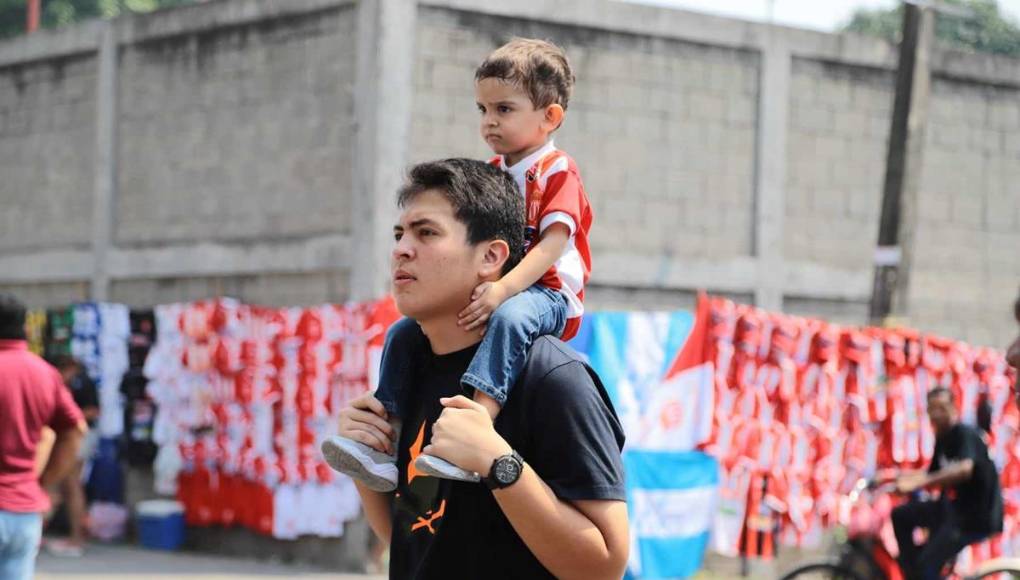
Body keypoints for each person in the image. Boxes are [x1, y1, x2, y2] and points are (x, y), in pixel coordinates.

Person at [335, 159, 628, 578]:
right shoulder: (410, 364)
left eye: (426, 232)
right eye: (399, 234)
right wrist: (368, 461)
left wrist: (497, 461)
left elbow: (605, 566)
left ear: (491, 257)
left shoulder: (552, 378)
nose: (401, 249)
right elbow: (414, 535)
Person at [323, 38, 593, 488]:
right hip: (501, 288)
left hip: (546, 293)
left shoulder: (557, 171)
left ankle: (474, 428)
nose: (489, 121)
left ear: (550, 117)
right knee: (403, 330)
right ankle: (382, 435)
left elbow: (551, 246)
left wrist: (503, 290)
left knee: (509, 319)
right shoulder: (492, 170)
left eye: (503, 109)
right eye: (482, 109)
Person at [0, 294, 86, 580]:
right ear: (24, 328)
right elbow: (74, 431)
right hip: (24, 512)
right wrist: (43, 482)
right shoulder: (44, 373)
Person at [892, 386, 1003, 580]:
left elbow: (963, 469)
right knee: (901, 515)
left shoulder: (965, 434)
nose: (935, 414)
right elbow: (932, 474)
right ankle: (911, 569)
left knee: (927, 565)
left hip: (975, 519)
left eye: (941, 408)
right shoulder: (942, 439)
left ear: (954, 408)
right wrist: (892, 477)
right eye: (931, 409)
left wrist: (918, 483)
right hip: (954, 511)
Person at [44, 355, 100, 557]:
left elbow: (92, 412)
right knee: (66, 486)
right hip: (75, 436)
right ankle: (71, 536)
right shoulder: (77, 381)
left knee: (69, 485)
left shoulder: (81, 382)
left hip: (78, 437)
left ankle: (76, 537)